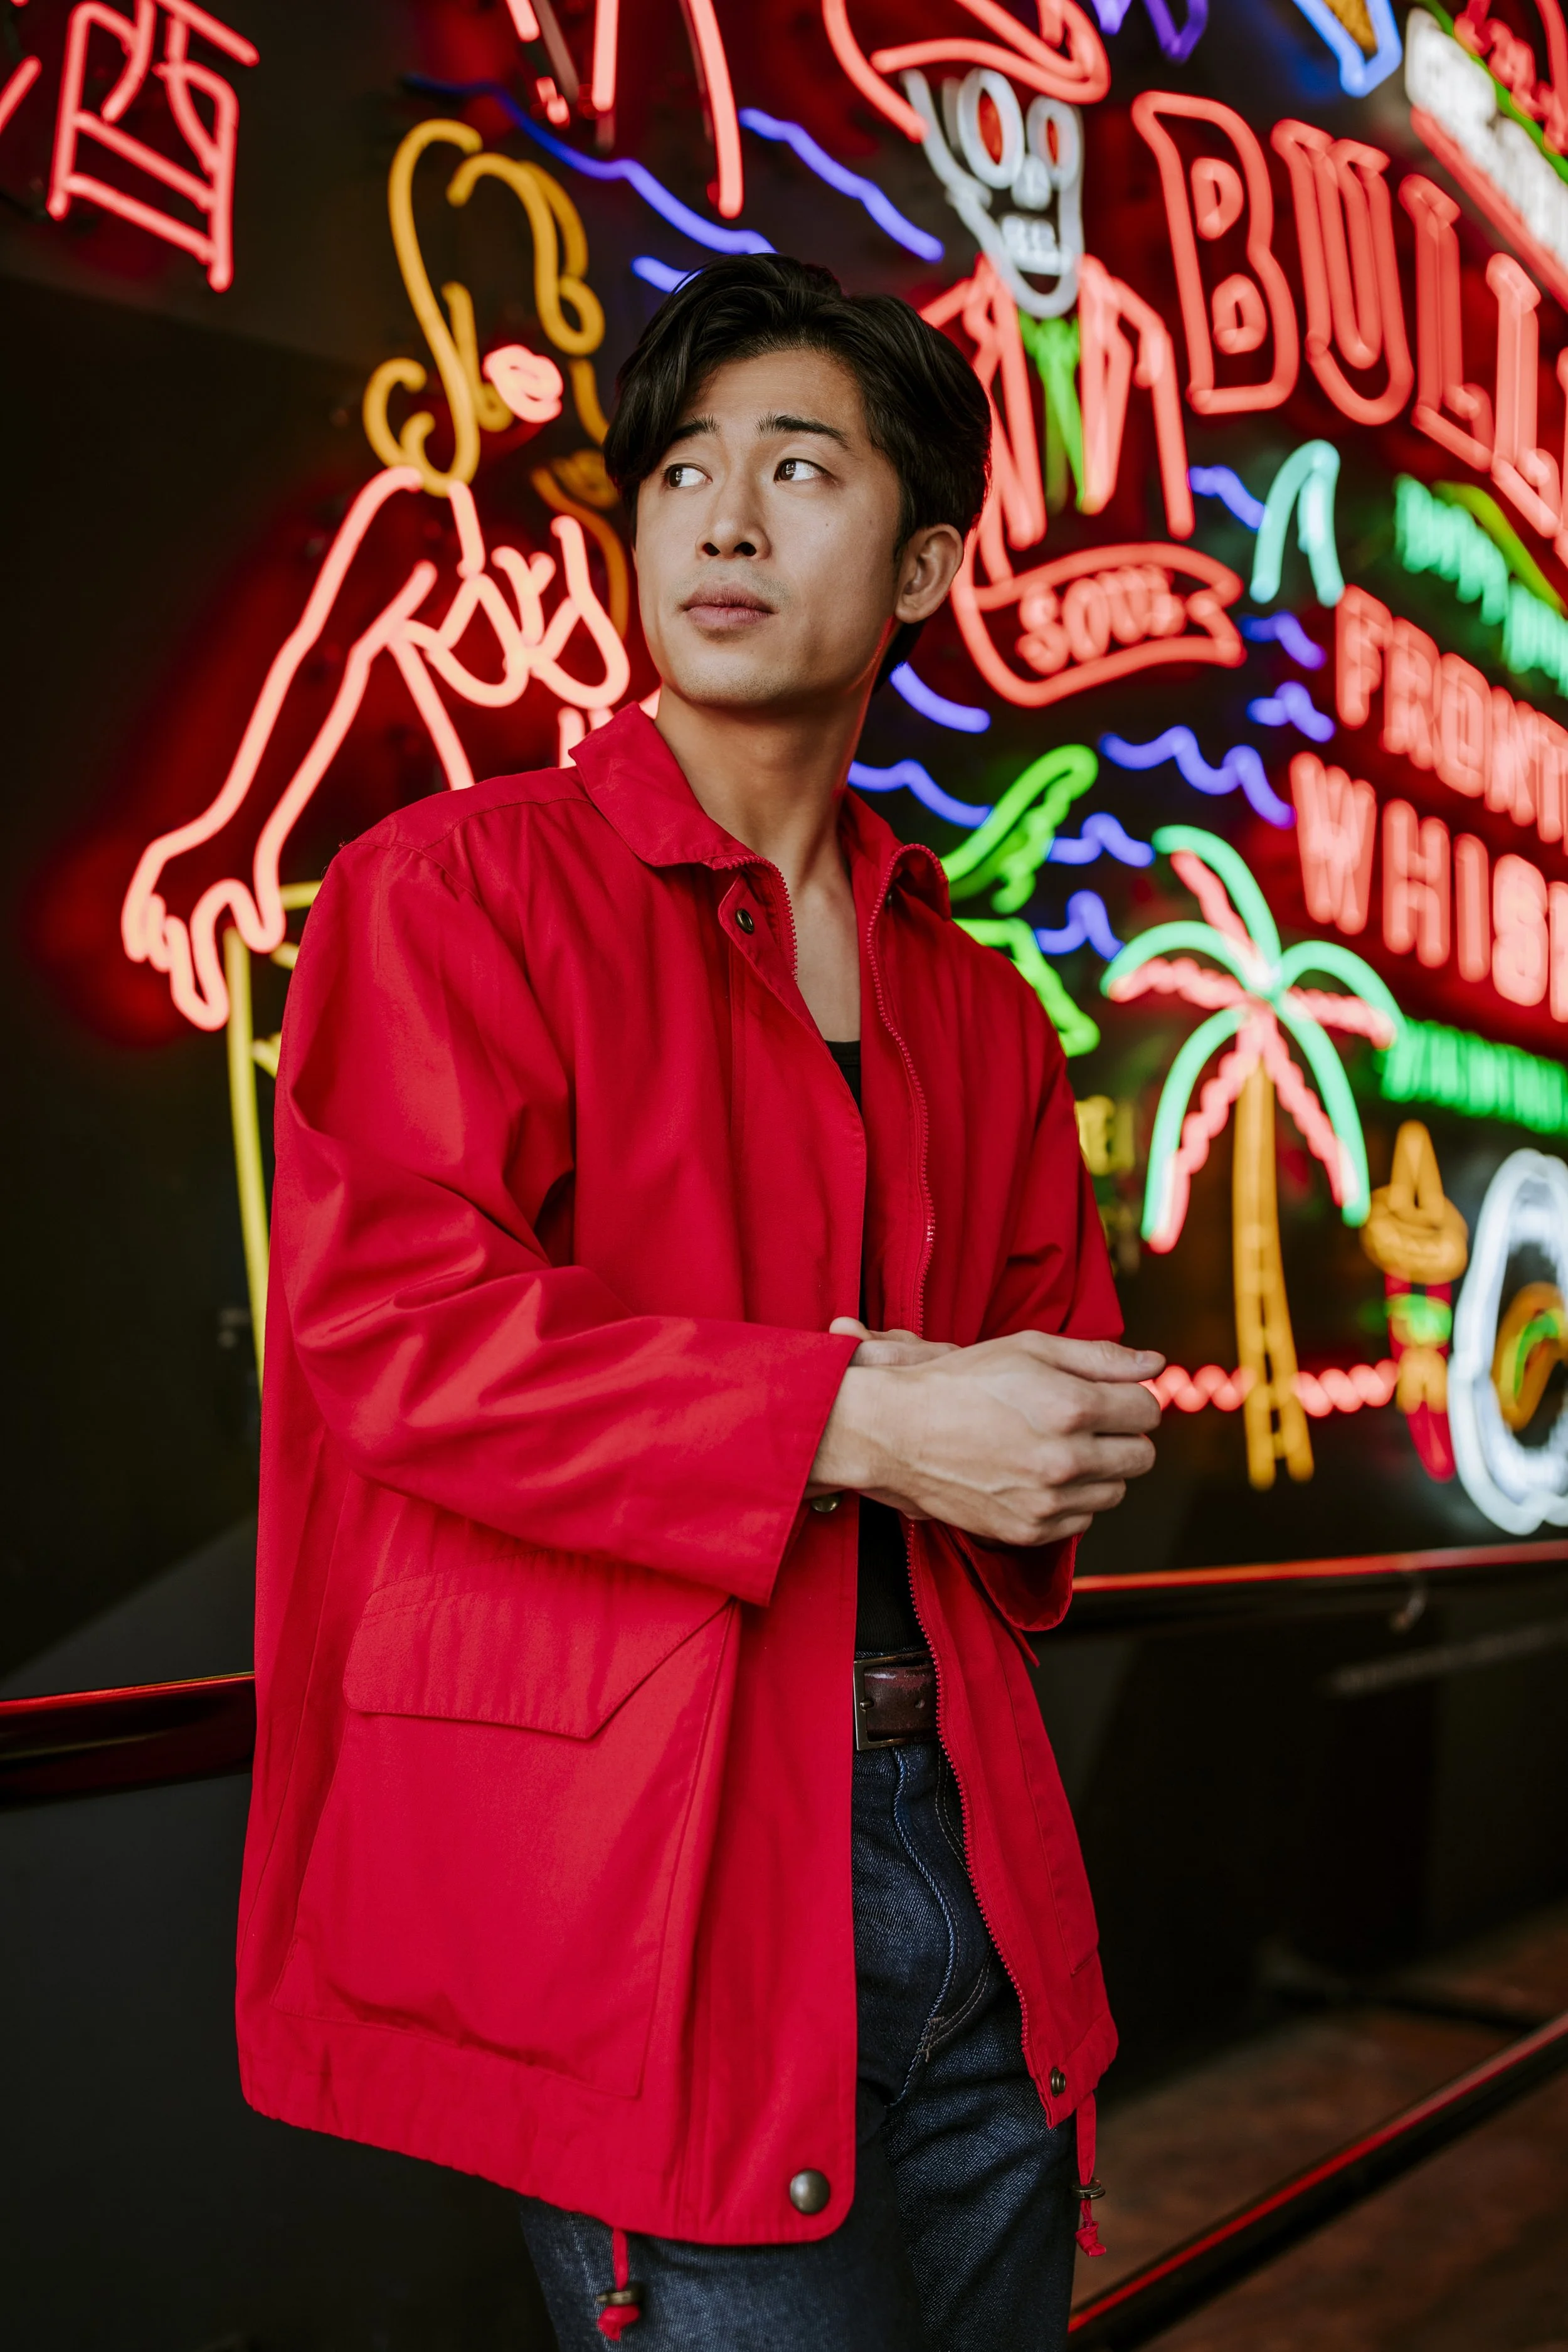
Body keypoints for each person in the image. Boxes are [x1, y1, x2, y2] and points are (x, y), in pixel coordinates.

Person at [235, 255, 1163, 2352]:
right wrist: (860, 1412)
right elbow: (396, 1337)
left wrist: (1062, 1439)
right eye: (679, 473)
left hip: (975, 1861)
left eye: (799, 468)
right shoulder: (456, 890)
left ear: (923, 563)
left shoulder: (979, 1000)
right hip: (649, 1856)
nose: (720, 520)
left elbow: (1047, 1389)